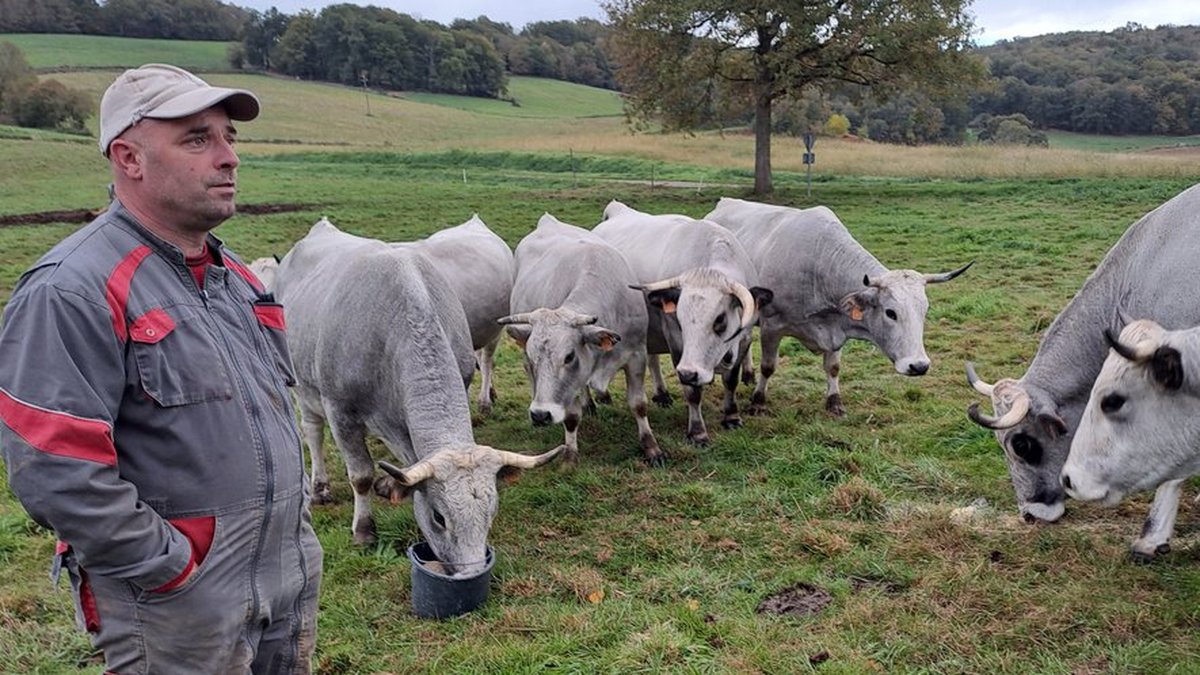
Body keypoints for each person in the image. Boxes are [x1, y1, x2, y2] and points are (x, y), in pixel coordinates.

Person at [0, 64, 322, 673]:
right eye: (197, 139)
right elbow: (55, 470)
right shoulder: (72, 288)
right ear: (129, 157)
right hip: (178, 607)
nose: (227, 157)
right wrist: (176, 565)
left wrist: (294, 539)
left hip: (284, 580)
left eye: (230, 136)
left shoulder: (240, 281)